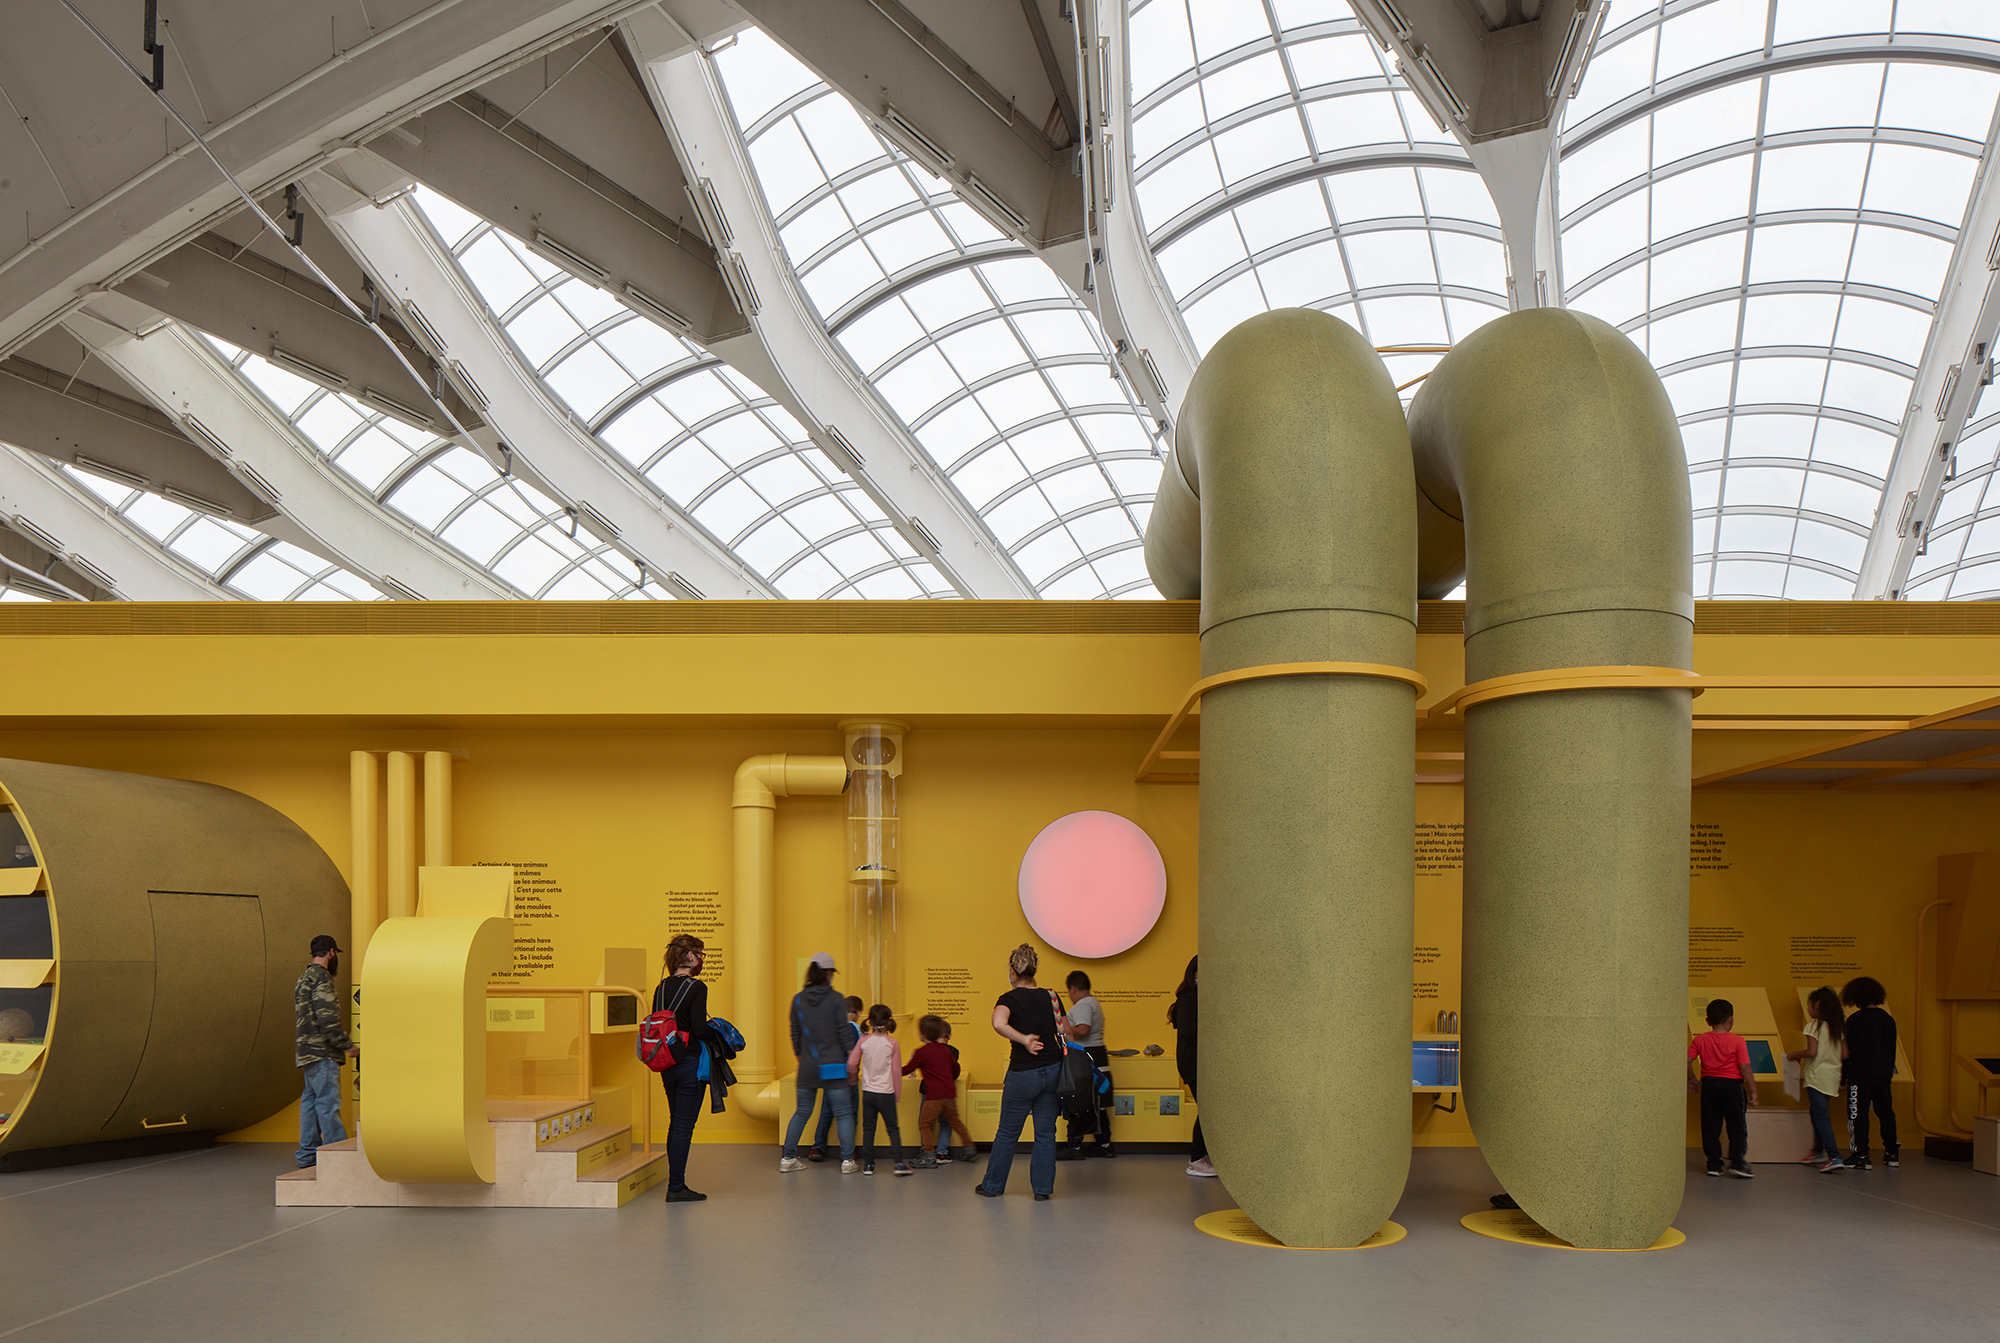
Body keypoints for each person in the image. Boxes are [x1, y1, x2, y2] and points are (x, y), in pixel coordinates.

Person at [975, 944, 1069, 1200]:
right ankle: (1042, 1190)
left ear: (1012, 970)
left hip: (1023, 1074)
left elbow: (998, 1023)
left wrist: (1024, 1039)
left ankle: (993, 1186)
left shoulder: (1009, 999)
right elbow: (1066, 1031)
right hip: (1053, 1070)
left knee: (1007, 1133)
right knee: (1046, 1133)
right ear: (1034, 969)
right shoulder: (1051, 996)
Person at [779, 954, 858, 1174]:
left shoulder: (797, 1000)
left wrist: (802, 1058)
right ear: (828, 973)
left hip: (808, 1065)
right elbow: (844, 1032)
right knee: (843, 1113)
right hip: (834, 1065)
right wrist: (853, 1060)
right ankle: (847, 1162)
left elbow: (795, 1034)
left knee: (802, 1112)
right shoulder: (836, 999)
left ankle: (788, 1158)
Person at [654, 933, 711, 1201]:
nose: (701, 959)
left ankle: (675, 1183)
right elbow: (699, 1029)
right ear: (689, 955)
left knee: (675, 1122)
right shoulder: (697, 988)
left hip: (667, 1063)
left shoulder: (661, 987)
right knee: (684, 1127)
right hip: (689, 1063)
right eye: (700, 954)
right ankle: (676, 1187)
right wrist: (718, 1032)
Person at [293, 934, 357, 1171]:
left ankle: (307, 1155)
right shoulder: (322, 978)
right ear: (331, 952)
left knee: (310, 1103)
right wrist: (348, 1045)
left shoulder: (303, 978)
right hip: (323, 1053)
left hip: (306, 1053)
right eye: (335, 953)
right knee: (328, 1104)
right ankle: (338, 1158)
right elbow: (327, 1020)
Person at [1687, 996, 1758, 1178]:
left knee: (1710, 1126)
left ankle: (1713, 1165)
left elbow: (1687, 1061)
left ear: (1707, 1021)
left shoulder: (1700, 1040)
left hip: (1709, 1086)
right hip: (1732, 1086)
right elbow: (1745, 1068)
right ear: (1731, 1019)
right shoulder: (1738, 1041)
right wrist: (1753, 1090)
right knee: (1737, 1126)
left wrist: (1692, 1078)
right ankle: (1737, 1163)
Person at [1841, 975, 1900, 1170]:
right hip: (1883, 1075)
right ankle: (1892, 1152)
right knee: (1886, 1112)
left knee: (1857, 1114)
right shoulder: (1888, 1020)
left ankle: (1862, 1155)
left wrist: (1843, 1077)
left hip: (1860, 1075)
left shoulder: (1855, 1020)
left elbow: (1846, 1052)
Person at [1787, 986, 1847, 1172]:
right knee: (1817, 1114)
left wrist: (1795, 1054)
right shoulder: (1837, 1027)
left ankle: (1834, 1156)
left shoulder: (1813, 1027)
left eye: (1809, 1004)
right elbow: (1845, 1053)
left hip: (1816, 1077)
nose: (1807, 1008)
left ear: (1818, 1005)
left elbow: (1812, 1052)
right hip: (1832, 1076)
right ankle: (1817, 1151)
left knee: (1820, 1117)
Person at [849, 1003, 911, 1175]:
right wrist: (896, 1094)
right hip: (886, 1093)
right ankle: (899, 1164)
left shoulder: (863, 1041)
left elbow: (852, 1064)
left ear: (869, 1021)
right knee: (893, 1129)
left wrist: (854, 1077)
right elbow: (896, 1072)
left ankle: (868, 1165)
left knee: (869, 1130)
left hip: (868, 1092)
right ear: (889, 1021)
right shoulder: (892, 1043)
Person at [904, 1014, 972, 1167]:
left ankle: (927, 1153)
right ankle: (964, 1149)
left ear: (924, 1034)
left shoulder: (922, 1051)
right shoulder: (950, 1051)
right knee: (952, 1122)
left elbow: (908, 1069)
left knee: (925, 1123)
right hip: (948, 1093)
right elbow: (956, 1069)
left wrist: (892, 1071)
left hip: (931, 1093)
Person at [1059, 970, 1113, 1160]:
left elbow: (1083, 1029)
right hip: (1097, 1057)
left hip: (1086, 1060)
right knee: (1097, 1106)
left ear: (1073, 989)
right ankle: (1103, 1144)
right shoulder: (1093, 1002)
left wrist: (1062, 1029)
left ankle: (1074, 1147)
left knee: (1078, 1103)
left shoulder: (1083, 1004)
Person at [807, 995, 864, 1163]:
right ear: (858, 1012)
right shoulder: (857, 1029)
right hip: (848, 1076)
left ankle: (817, 1147)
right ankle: (849, 1150)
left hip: (831, 1075)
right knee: (850, 1114)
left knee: (826, 1113)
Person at [1169, 956, 1210, 1177]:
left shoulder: (1197, 996)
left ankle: (1200, 1156)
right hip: (1193, 1064)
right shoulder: (1188, 997)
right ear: (1194, 973)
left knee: (1208, 1110)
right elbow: (1191, 1030)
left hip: (1198, 1064)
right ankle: (1196, 1159)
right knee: (1207, 1110)